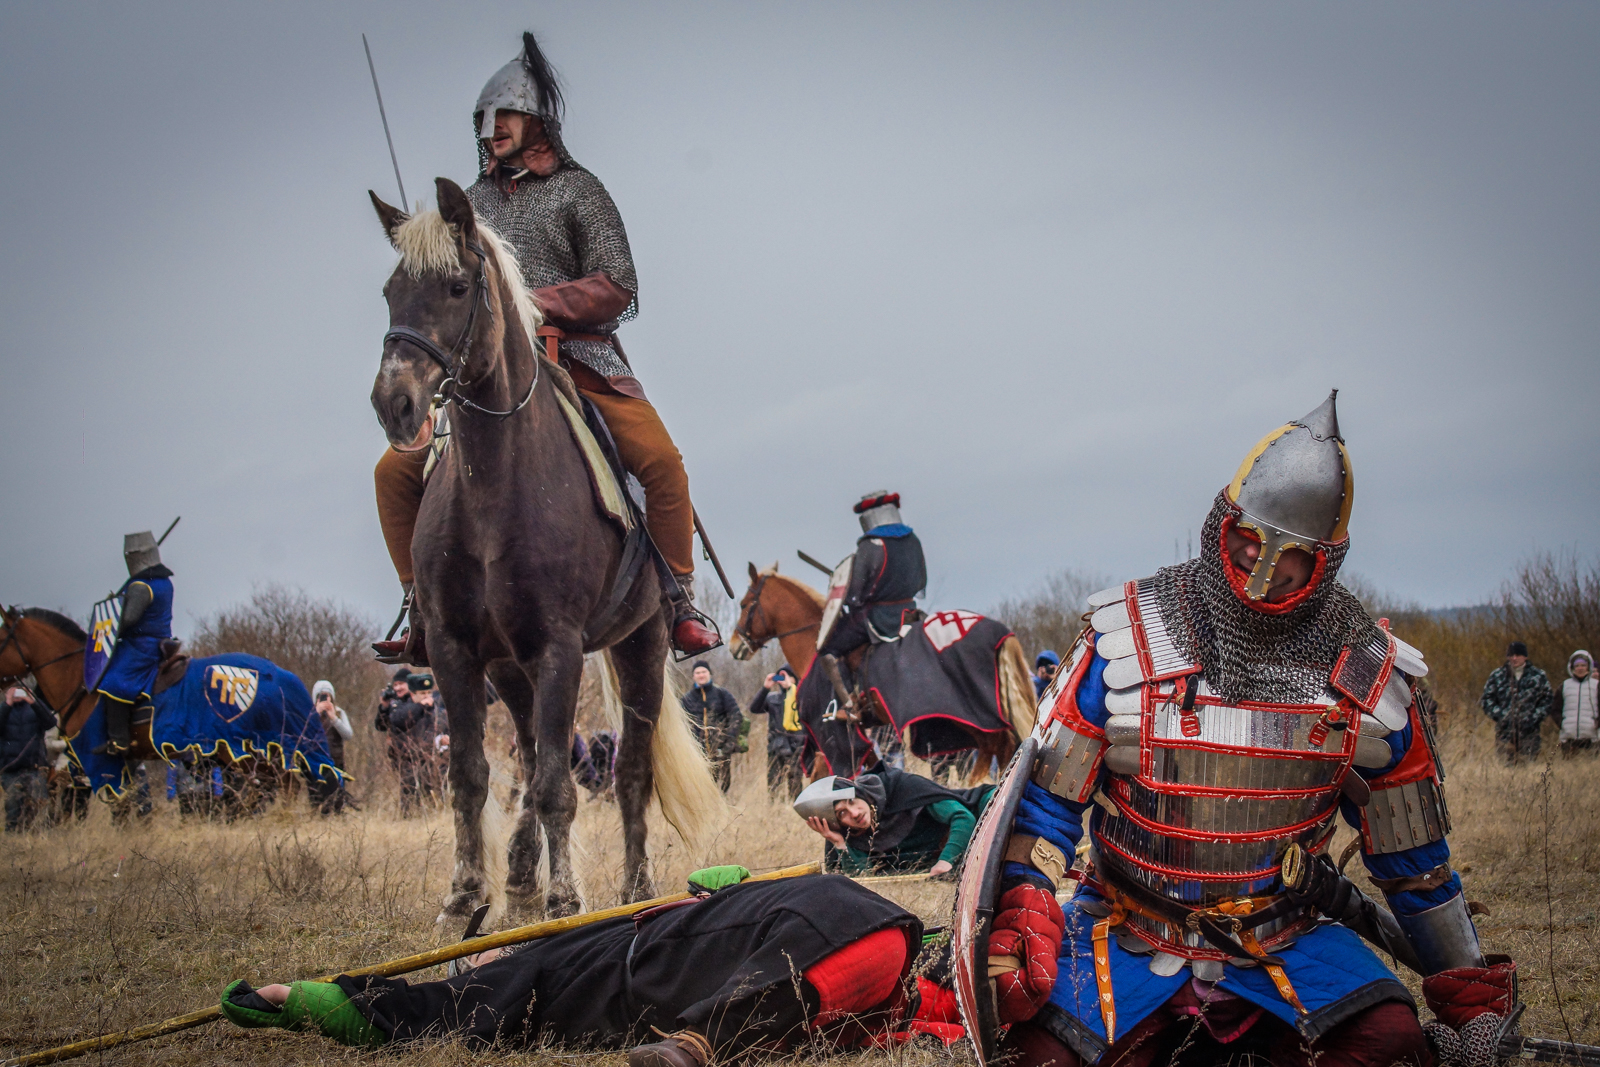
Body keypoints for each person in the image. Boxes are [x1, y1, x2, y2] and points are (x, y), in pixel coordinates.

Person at [980, 392, 1515, 1067]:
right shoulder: (1127, 639)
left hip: (1285, 937)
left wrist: (1466, 993)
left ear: (1324, 563)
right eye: (1248, 542)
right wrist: (1026, 899)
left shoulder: (1366, 674)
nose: (1262, 571)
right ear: (1220, 525)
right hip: (1126, 928)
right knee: (1036, 1058)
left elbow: (1414, 863)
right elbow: (1046, 803)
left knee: (1391, 1044)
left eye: (1289, 558)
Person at [370, 31, 717, 664]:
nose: (491, 127)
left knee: (662, 463)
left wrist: (533, 304)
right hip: (487, 377)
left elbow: (618, 285)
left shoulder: (580, 192)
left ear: (537, 121)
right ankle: (420, 605)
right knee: (393, 473)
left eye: (504, 114)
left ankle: (677, 602)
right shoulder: (467, 208)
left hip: (579, 361)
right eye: (484, 118)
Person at [220, 868, 932, 1067]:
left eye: (493, 950)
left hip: (664, 959)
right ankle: (699, 1041)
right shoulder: (533, 972)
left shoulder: (536, 971)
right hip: (812, 927)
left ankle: (679, 606)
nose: (492, 955)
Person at [797, 765, 992, 877]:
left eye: (852, 801)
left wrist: (947, 861)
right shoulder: (851, 835)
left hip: (987, 810)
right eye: (842, 814)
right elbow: (863, 879)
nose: (854, 813)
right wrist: (838, 843)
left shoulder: (901, 786)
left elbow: (963, 817)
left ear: (859, 792)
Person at [90, 531, 174, 756]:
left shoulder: (142, 585)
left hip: (142, 646)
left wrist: (114, 608)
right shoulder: (162, 581)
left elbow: (127, 619)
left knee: (114, 680)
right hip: (156, 641)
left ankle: (119, 740)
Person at [817, 491, 927, 658]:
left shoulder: (871, 545)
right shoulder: (913, 540)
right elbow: (920, 582)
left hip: (879, 619)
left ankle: (846, 685)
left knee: (829, 649)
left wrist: (843, 590)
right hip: (910, 614)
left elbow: (856, 593)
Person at [1480, 640, 1554, 764]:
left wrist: (1533, 717)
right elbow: (1487, 699)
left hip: (1530, 733)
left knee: (1528, 768)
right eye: (1511, 655)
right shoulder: (1498, 675)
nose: (1514, 658)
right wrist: (1500, 715)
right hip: (1504, 733)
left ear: (1525, 656)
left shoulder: (1538, 676)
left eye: (1518, 655)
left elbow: (1547, 700)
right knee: (1505, 769)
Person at [1, 686, 58, 832]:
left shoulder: (35, 708)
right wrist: (7, 703)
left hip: (35, 768)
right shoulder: (3, 709)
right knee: (13, 809)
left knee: (40, 808)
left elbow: (50, 723)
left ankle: (40, 841)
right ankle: (14, 841)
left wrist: (33, 702)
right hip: (10, 769)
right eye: (14, 690)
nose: (17, 694)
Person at [679, 662, 741, 792]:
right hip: (696, 753)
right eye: (698, 673)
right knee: (700, 786)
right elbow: (680, 724)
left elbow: (736, 716)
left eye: (704, 672)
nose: (701, 675)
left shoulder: (722, 694)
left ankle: (723, 808)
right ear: (693, 676)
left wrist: (728, 743)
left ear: (709, 674)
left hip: (720, 751)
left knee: (723, 785)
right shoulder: (686, 699)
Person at [749, 666, 805, 798]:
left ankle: (794, 812)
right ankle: (775, 812)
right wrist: (765, 688)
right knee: (773, 785)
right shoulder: (773, 698)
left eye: (786, 676)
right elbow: (754, 708)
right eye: (780, 676)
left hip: (795, 747)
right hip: (775, 746)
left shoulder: (801, 697)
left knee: (795, 785)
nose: (783, 680)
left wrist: (791, 688)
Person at [309, 681, 352, 814]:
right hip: (316, 762)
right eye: (321, 696)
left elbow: (348, 735)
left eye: (327, 696)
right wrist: (316, 714)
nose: (325, 699)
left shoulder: (339, 713)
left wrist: (334, 718)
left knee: (337, 797)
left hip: (336, 762)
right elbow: (304, 734)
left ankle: (338, 819)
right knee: (318, 799)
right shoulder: (309, 714)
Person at [1553, 650, 1598, 757]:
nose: (1580, 668)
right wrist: (1562, 724)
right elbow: (1555, 709)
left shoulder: (1597, 686)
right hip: (1569, 738)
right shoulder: (1564, 686)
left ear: (1589, 666)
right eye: (1577, 665)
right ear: (1572, 667)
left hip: (1593, 738)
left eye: (1583, 665)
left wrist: (1596, 724)